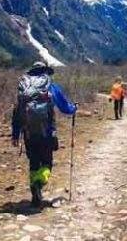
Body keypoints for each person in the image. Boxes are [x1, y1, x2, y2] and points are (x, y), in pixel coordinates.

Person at [11, 61, 77, 207]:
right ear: (45, 72)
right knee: (47, 163)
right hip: (47, 133)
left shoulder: (24, 90)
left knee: (33, 162)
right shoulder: (50, 87)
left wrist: (15, 134)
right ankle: (39, 184)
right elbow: (65, 107)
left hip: (28, 133)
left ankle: (35, 192)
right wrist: (74, 109)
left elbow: (17, 113)